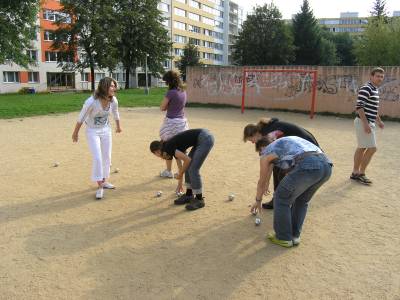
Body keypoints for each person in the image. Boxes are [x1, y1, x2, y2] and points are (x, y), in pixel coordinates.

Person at [251, 136, 332, 248]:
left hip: (308, 165)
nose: (261, 156)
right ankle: (294, 236)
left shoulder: (266, 152)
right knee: (301, 201)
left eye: (259, 153)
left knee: (280, 198)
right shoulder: (282, 145)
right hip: (326, 166)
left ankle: (283, 237)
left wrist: (258, 200)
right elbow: (269, 172)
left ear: (262, 148)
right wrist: (266, 183)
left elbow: (261, 180)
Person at [243, 118, 320, 209]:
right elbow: (272, 161)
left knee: (286, 171)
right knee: (279, 166)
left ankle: (284, 200)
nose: (252, 143)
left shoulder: (269, 135)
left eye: (251, 140)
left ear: (255, 134)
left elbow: (269, 161)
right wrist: (267, 181)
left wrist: (264, 184)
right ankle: (278, 199)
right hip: (302, 143)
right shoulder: (265, 130)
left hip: (306, 144)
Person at [72, 77, 122, 200]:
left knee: (107, 157)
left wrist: (118, 126)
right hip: (92, 131)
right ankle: (99, 186)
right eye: (111, 86)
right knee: (98, 158)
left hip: (106, 130)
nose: (114, 88)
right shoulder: (92, 101)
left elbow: (115, 113)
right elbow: (81, 117)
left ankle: (104, 181)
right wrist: (75, 133)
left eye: (114, 86)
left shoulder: (113, 100)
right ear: (104, 87)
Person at [150, 129, 214, 211]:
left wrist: (180, 174)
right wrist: (179, 184)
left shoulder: (168, 147)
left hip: (205, 138)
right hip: (200, 139)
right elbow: (181, 167)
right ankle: (189, 194)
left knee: (193, 169)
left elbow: (187, 160)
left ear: (157, 152)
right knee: (188, 167)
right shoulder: (169, 147)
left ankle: (199, 199)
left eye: (155, 154)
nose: (157, 156)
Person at [351, 67, 385, 185]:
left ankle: (355, 173)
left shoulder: (374, 89)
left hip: (368, 122)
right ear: (371, 76)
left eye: (381, 76)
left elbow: (373, 109)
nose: (380, 78)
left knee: (362, 147)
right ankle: (361, 173)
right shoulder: (367, 88)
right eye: (377, 76)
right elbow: (359, 106)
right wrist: (366, 124)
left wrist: (379, 121)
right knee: (372, 148)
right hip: (363, 122)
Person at [159, 70, 189, 184]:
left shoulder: (171, 92)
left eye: (166, 81)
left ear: (169, 81)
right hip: (182, 123)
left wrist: (167, 106)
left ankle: (169, 171)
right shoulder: (183, 91)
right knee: (180, 150)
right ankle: (183, 175)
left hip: (171, 124)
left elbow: (162, 107)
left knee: (168, 147)